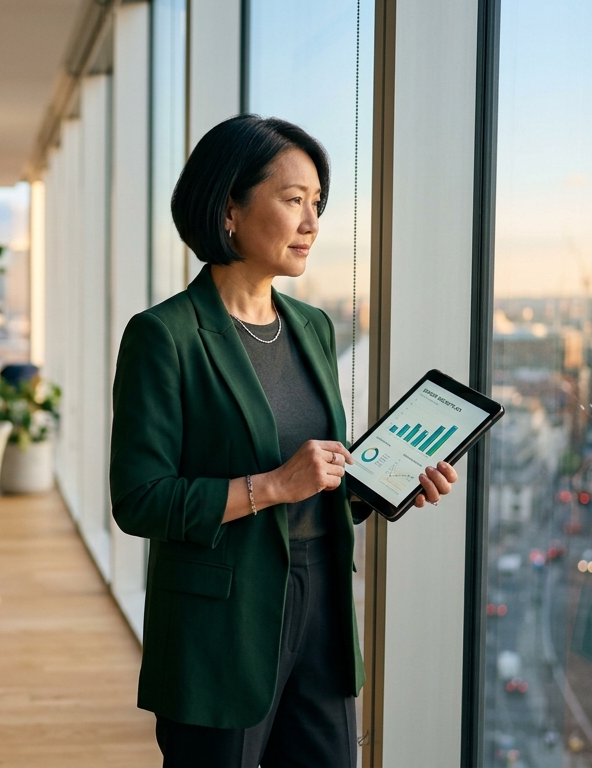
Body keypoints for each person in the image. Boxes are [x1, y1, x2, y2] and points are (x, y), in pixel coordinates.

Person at [109, 115, 458, 767]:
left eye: (318, 203)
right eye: (293, 199)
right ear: (229, 209)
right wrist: (272, 486)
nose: (312, 222)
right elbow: (140, 500)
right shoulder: (164, 336)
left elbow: (317, 481)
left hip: (322, 604)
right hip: (221, 624)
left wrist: (385, 485)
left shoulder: (313, 327)